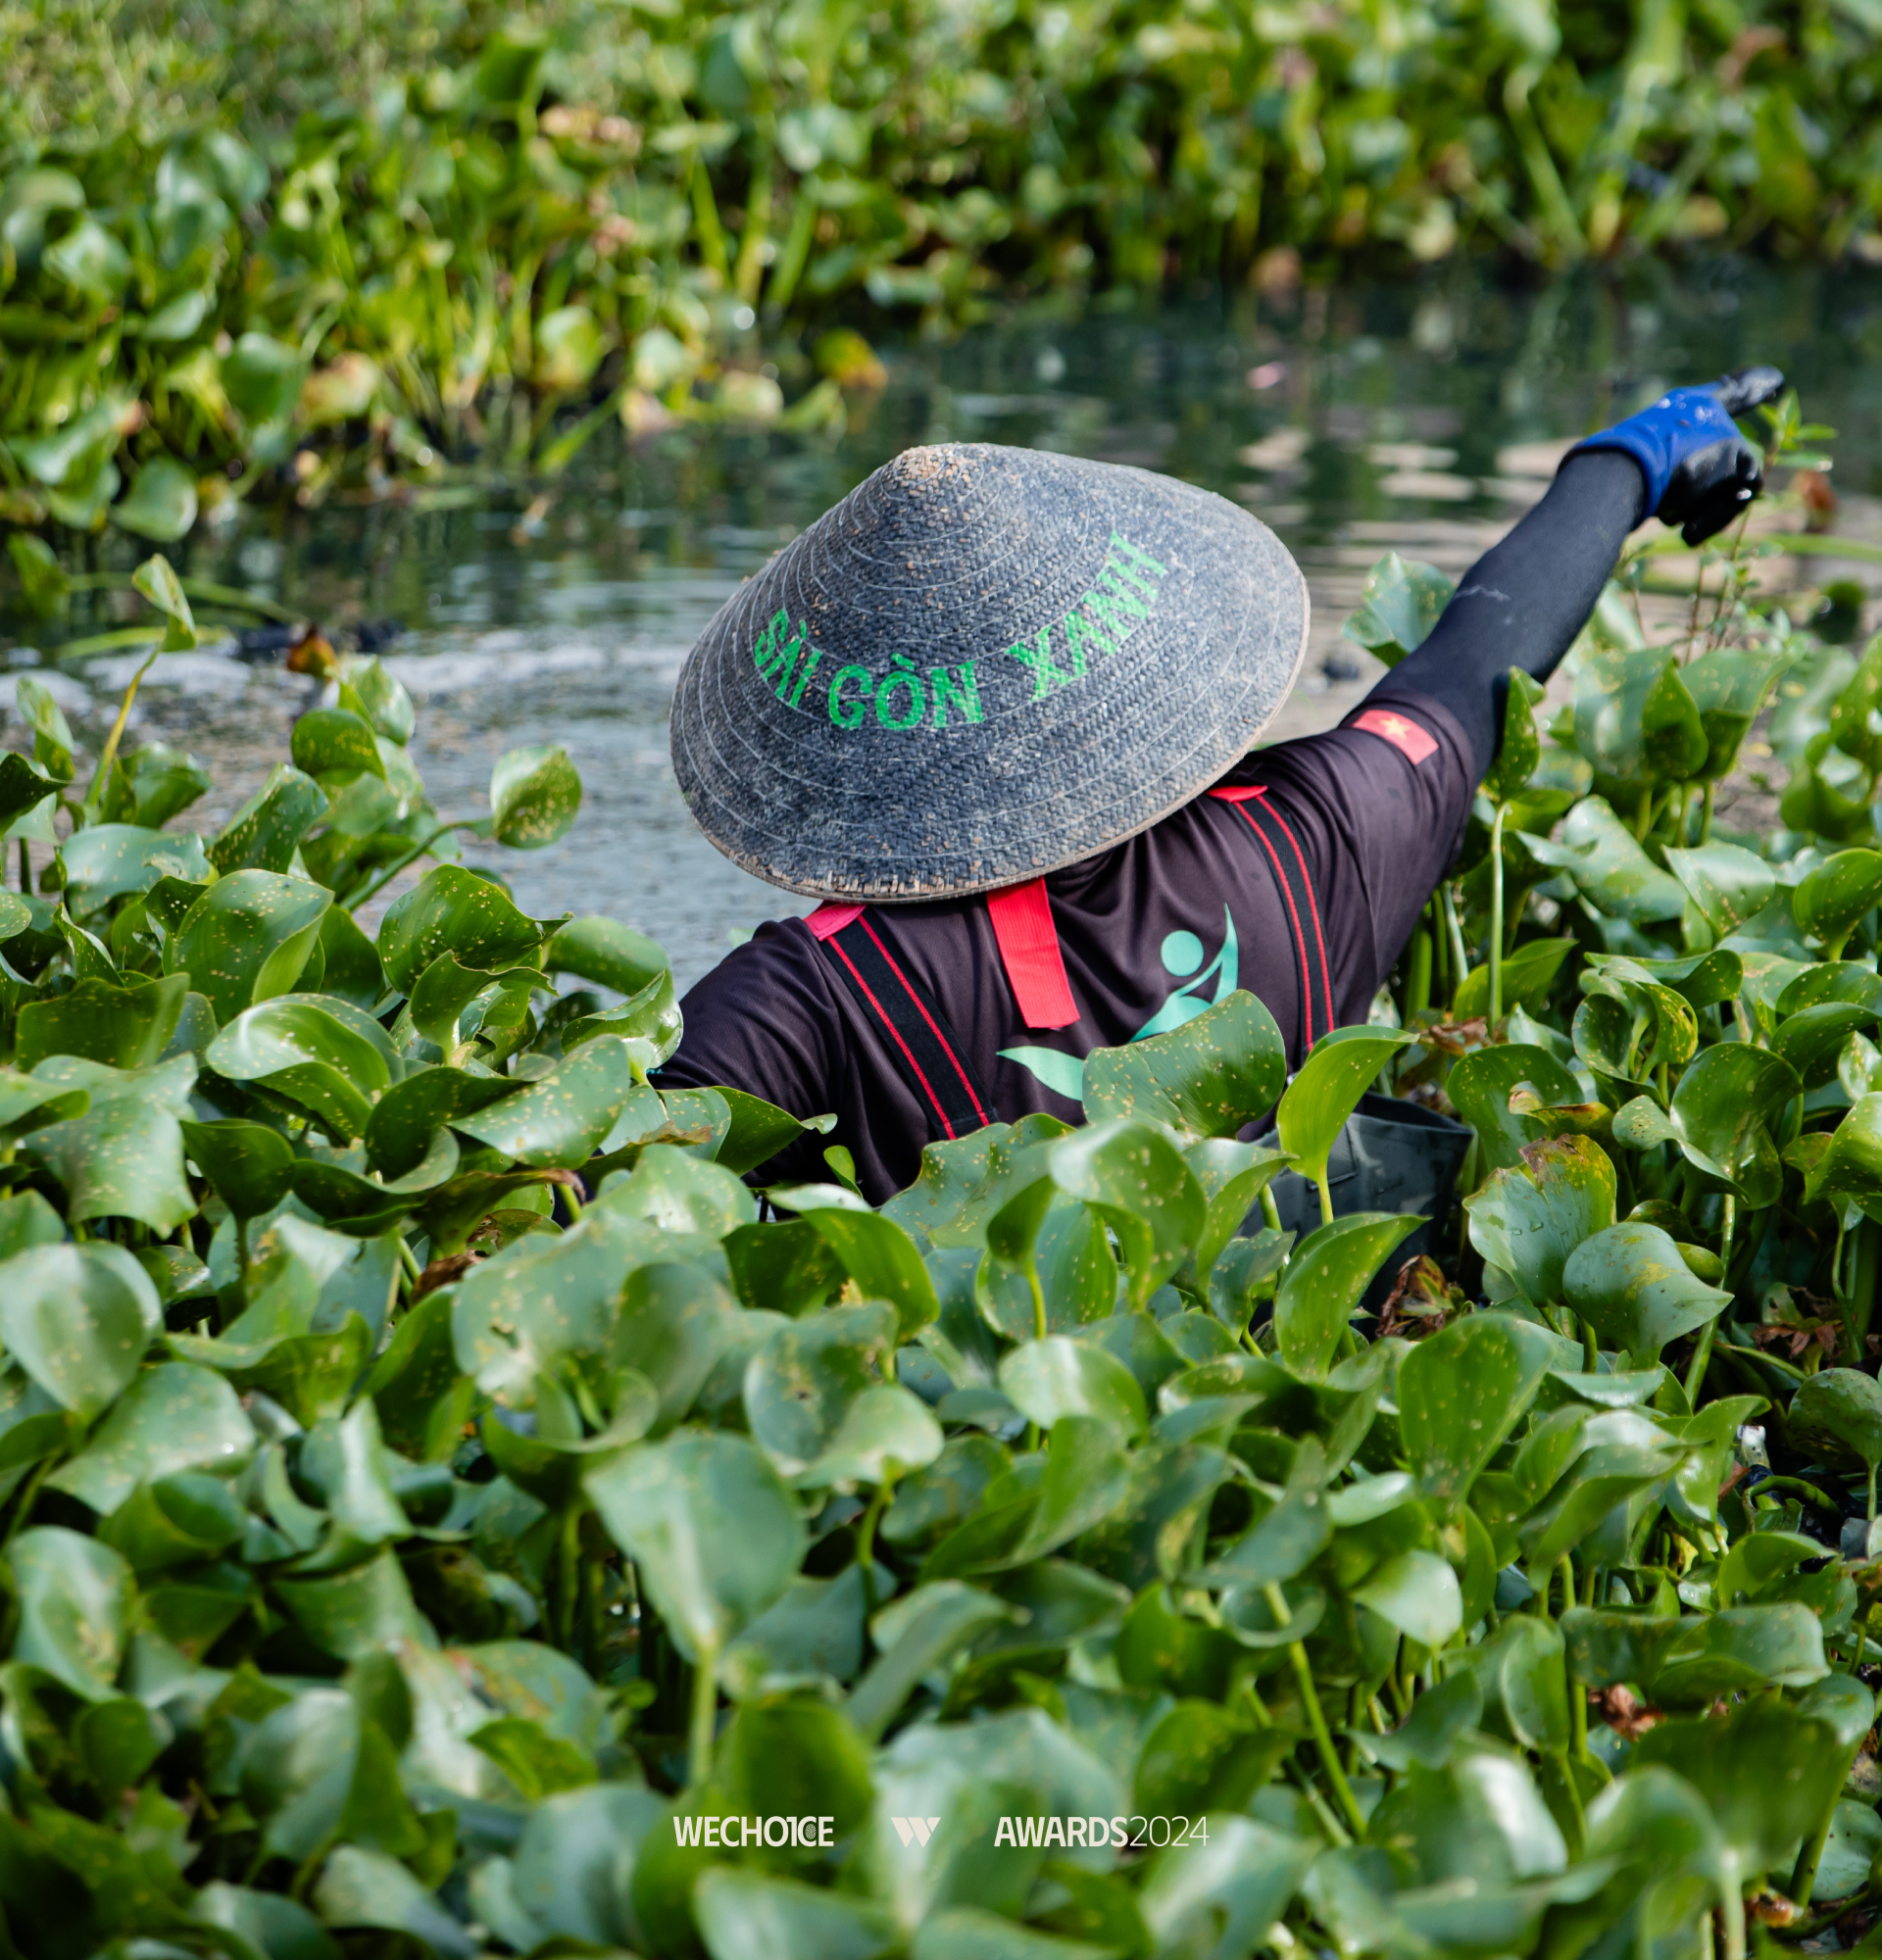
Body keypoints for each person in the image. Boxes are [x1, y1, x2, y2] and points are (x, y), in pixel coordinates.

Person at [655, 368, 1785, 1202]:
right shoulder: (1315, 832)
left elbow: (618, 1177)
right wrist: (1625, 462)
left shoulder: (814, 987)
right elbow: (1478, 661)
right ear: (1135, 680)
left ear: (857, 748)